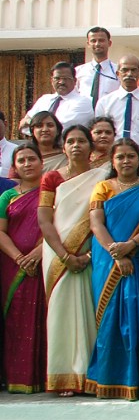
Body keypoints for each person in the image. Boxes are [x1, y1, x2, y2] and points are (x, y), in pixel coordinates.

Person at [85, 139, 139, 400]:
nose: (125, 161)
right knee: (109, 318)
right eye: (120, 157)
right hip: (107, 259)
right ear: (112, 162)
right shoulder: (103, 188)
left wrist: (131, 245)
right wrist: (116, 253)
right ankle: (107, 377)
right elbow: (96, 224)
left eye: (131, 156)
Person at [39, 125, 107, 395]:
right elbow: (44, 220)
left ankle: (89, 374)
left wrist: (87, 254)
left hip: (91, 252)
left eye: (82, 141)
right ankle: (64, 375)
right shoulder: (51, 178)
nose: (76, 145)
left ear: (91, 148)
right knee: (61, 311)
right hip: (58, 253)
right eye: (70, 141)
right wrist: (66, 255)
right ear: (63, 147)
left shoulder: (101, 176)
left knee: (90, 309)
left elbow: (103, 217)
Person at [0, 144, 47, 392]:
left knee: (42, 316)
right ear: (15, 166)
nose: (27, 164)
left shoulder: (53, 193)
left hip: (44, 263)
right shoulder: (8, 196)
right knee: (15, 318)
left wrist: (39, 253)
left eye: (32, 159)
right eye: (22, 160)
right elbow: (0, 232)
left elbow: (58, 227)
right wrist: (20, 258)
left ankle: (41, 375)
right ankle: (15, 377)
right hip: (13, 265)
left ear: (42, 163)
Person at [95, 55, 139, 150]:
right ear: (118, 73)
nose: (129, 74)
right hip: (112, 157)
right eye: (125, 70)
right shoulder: (104, 103)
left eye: (133, 70)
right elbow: (99, 132)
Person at [24, 62, 93, 131]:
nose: (61, 82)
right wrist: (30, 122)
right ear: (51, 80)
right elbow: (24, 124)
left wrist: (33, 124)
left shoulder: (83, 102)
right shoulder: (44, 99)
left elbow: (62, 128)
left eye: (66, 78)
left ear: (74, 81)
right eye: (57, 78)